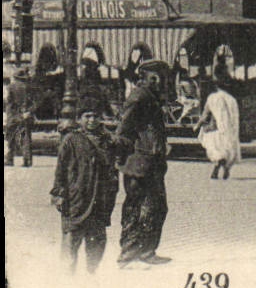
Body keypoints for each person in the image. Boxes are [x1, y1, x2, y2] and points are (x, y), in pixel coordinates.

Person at [112, 59, 171, 269]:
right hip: (139, 163)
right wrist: (120, 157)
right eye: (162, 78)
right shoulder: (140, 96)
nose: (165, 82)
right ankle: (128, 255)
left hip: (151, 162)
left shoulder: (150, 96)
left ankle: (146, 251)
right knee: (136, 207)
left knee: (157, 207)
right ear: (153, 78)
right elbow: (123, 128)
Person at [51, 103, 121, 273]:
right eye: (87, 116)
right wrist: (59, 193)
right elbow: (61, 169)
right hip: (76, 197)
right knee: (71, 239)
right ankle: (67, 280)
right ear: (79, 119)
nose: (91, 120)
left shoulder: (107, 140)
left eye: (95, 116)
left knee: (97, 240)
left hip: (100, 198)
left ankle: (92, 274)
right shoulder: (71, 140)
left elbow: (115, 165)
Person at [198, 81, 241, 180]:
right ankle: (226, 168)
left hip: (213, 128)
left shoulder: (212, 98)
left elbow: (205, 114)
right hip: (227, 129)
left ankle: (218, 162)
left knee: (213, 148)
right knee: (227, 150)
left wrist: (197, 125)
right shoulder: (232, 99)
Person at [4, 68, 34, 167]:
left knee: (11, 137)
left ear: (15, 77)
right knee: (25, 137)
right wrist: (28, 111)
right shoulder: (29, 88)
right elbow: (35, 102)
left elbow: (9, 101)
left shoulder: (11, 87)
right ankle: (27, 160)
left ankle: (10, 159)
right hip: (26, 115)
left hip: (13, 115)